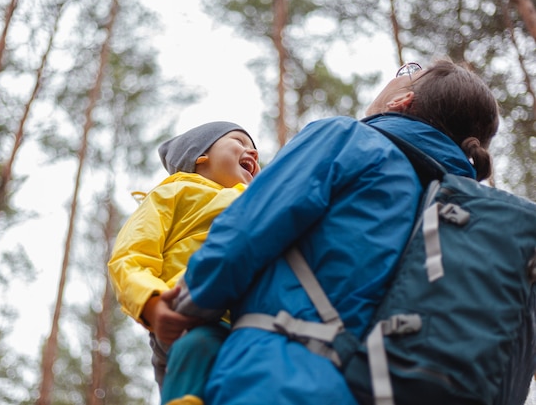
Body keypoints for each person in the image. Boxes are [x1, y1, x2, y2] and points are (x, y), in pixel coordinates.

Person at [174, 59, 499, 405]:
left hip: (282, 377)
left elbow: (243, 232)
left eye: (406, 73)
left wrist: (184, 307)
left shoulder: (347, 139)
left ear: (400, 102)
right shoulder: (475, 216)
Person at [107, 121, 260, 405]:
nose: (253, 153)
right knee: (198, 348)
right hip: (190, 314)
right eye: (240, 142)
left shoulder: (260, 201)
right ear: (200, 157)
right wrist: (152, 303)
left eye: (255, 150)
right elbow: (131, 256)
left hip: (253, 320)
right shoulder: (173, 194)